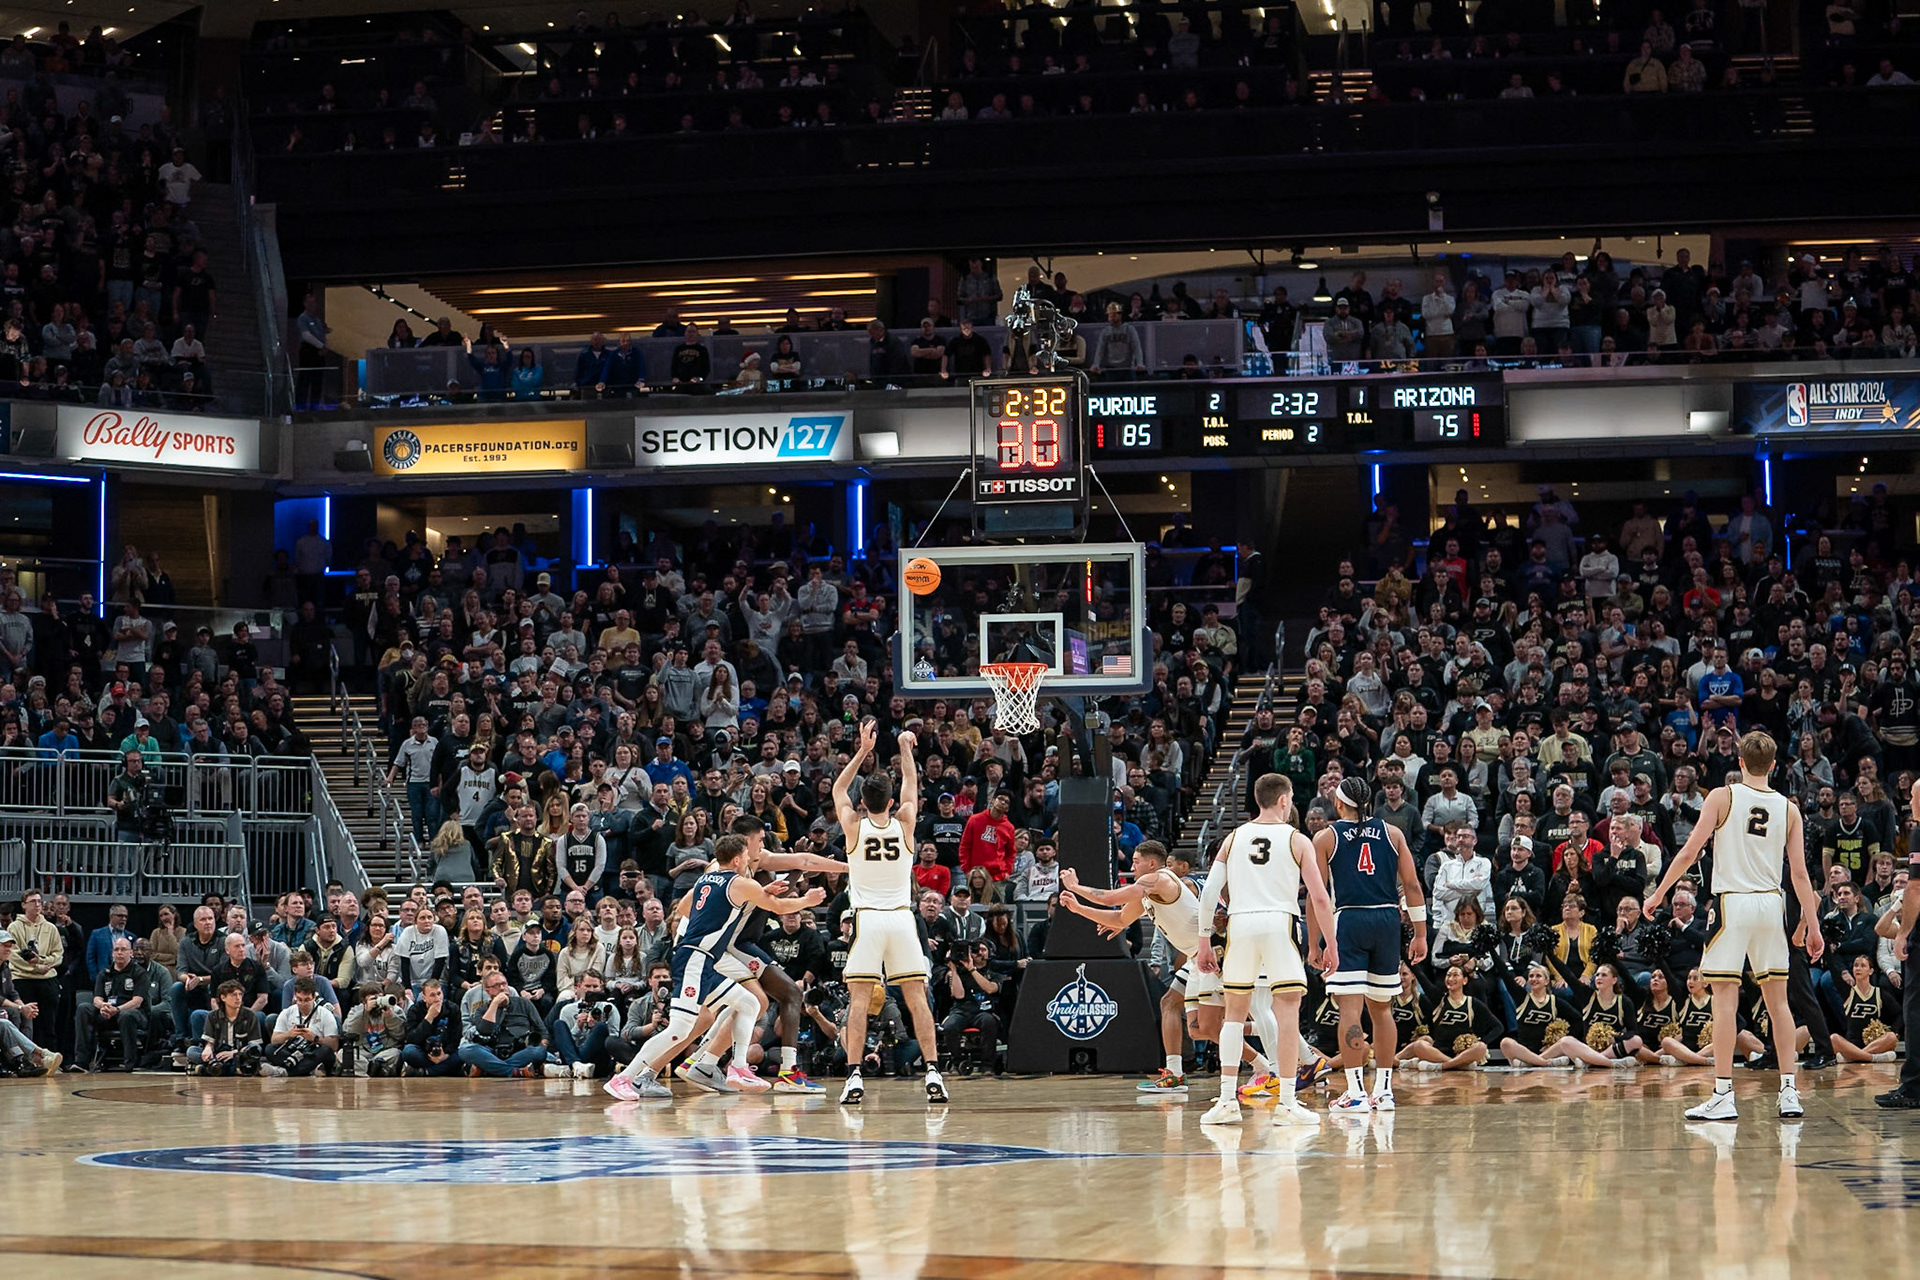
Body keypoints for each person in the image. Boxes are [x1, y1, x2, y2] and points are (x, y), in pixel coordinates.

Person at [1644, 730, 1824, 1121]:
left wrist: (1659, 893)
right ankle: (1789, 1091)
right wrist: (1813, 925)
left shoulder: (1722, 796)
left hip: (1733, 903)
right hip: (1771, 906)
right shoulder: (1788, 808)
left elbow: (1691, 850)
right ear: (1773, 766)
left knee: (1724, 1001)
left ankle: (1724, 1093)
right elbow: (1800, 875)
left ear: (1739, 762)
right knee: (1779, 1004)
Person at [602, 834, 823, 1099]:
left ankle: (738, 1067)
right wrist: (807, 901)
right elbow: (778, 906)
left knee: (750, 1003)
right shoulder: (739, 882)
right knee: (679, 1029)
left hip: (703, 958)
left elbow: (683, 907)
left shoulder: (705, 878)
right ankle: (624, 1077)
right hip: (696, 958)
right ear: (739, 859)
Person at [1196, 772, 1338, 1127]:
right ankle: (1288, 1103)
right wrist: (1329, 942)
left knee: (1234, 1014)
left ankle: (1227, 1101)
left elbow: (1210, 890)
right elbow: (1319, 897)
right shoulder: (1297, 839)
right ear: (1284, 800)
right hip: (1279, 922)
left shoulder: (1233, 837)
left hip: (1241, 924)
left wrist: (1202, 940)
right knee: (1286, 1012)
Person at [828, 721, 948, 1105]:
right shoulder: (907, 823)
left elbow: (837, 789)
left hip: (867, 918)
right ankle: (933, 1071)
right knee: (916, 996)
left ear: (863, 803)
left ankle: (854, 1076)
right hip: (901, 918)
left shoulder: (852, 826)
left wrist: (864, 750)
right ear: (891, 802)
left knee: (859, 1001)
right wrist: (905, 748)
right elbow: (913, 786)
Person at [1314, 777, 1427, 1112]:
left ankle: (1355, 1092)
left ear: (1339, 803)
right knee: (1382, 1008)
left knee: (1350, 1008)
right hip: (1388, 921)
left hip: (1349, 919)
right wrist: (1419, 933)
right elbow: (1412, 885)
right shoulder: (1393, 834)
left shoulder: (1325, 837)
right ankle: (1385, 1091)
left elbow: (1317, 894)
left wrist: (1315, 943)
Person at [264, 976, 340, 1077]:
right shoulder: (287, 1012)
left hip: (314, 1052)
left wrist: (315, 1038)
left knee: (326, 1051)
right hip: (293, 1052)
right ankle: (308, 1070)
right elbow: (274, 1040)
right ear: (295, 996)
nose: (303, 1004)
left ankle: (284, 1072)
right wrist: (288, 1034)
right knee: (270, 1049)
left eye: (307, 1000)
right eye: (299, 999)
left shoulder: (326, 1014)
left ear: (314, 997)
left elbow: (334, 1045)